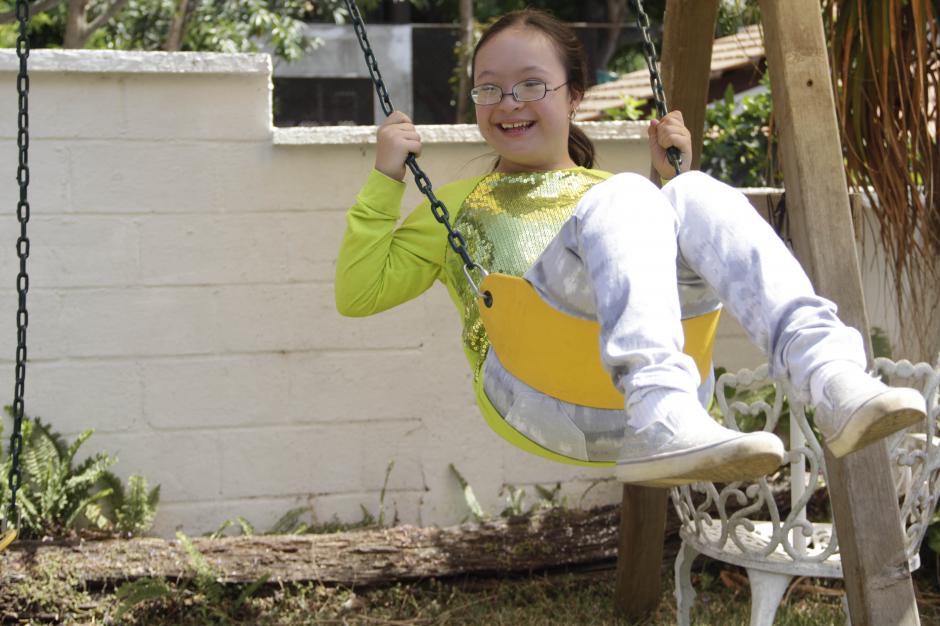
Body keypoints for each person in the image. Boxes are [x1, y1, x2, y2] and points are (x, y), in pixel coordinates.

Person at [334, 8, 927, 486]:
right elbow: (359, 294)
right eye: (489, 89)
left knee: (690, 189)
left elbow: (658, 237)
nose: (508, 102)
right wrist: (387, 179)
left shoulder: (621, 202)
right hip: (535, 389)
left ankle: (830, 375)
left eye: (531, 84)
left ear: (574, 97)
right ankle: (659, 408)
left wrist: (672, 184)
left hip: (657, 396)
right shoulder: (463, 201)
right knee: (633, 194)